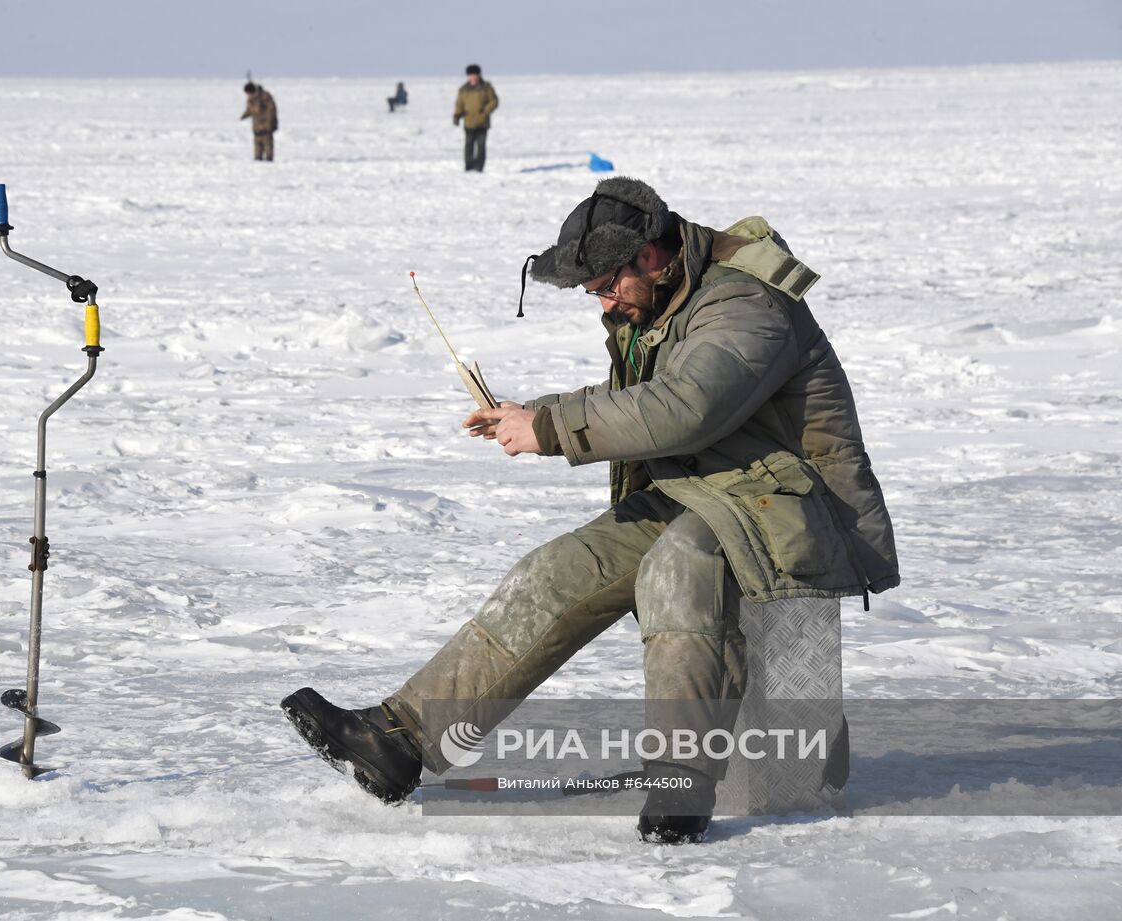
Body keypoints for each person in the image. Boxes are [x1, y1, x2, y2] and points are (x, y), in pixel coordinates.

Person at [281, 176, 900, 844]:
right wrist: (533, 415)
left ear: (653, 258)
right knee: (557, 570)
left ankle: (680, 780)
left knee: (679, 569)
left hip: (792, 512)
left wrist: (550, 431)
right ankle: (400, 736)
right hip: (715, 492)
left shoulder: (747, 305)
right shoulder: (667, 301)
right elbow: (637, 397)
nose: (601, 300)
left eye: (607, 284)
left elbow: (682, 409)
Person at [452, 64, 498, 171]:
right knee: (469, 146)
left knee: (481, 146)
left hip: (482, 122)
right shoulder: (463, 89)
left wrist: (485, 111)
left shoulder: (486, 87)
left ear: (478, 75)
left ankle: (479, 167)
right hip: (469, 122)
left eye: (474, 75)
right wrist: (457, 116)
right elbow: (459, 104)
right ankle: (469, 167)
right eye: (470, 75)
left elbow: (494, 101)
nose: (472, 77)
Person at [240, 82, 278, 162]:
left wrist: (269, 124)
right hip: (257, 128)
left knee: (268, 150)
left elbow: (271, 111)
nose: (248, 95)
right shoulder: (250, 99)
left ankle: (269, 165)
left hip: (266, 128)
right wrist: (244, 116)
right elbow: (250, 110)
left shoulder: (265, 96)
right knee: (257, 151)